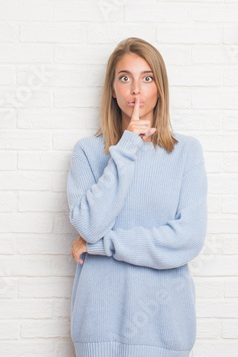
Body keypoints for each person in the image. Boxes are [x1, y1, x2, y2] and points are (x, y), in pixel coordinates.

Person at [67, 37, 208, 357]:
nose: (135, 89)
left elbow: (188, 238)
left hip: (165, 328)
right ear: (112, 89)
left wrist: (102, 246)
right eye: (124, 77)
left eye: (147, 78)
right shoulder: (87, 153)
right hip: (99, 328)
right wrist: (128, 145)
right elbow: (89, 225)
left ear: (160, 88)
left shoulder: (186, 152)